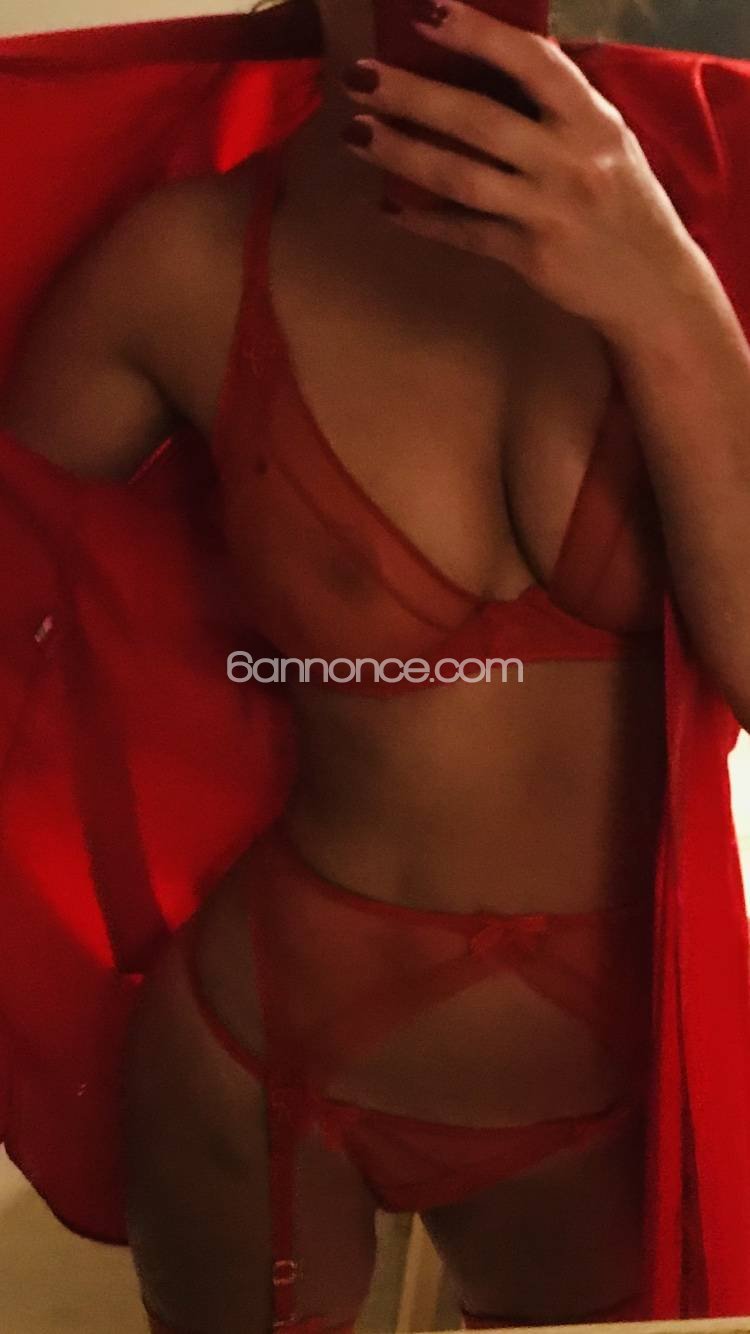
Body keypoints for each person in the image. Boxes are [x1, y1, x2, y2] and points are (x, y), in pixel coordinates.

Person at [1, 2, 750, 1332]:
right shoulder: (186, 261)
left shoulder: (721, 196)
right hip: (259, 1051)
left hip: (614, 1083)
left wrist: (665, 299)